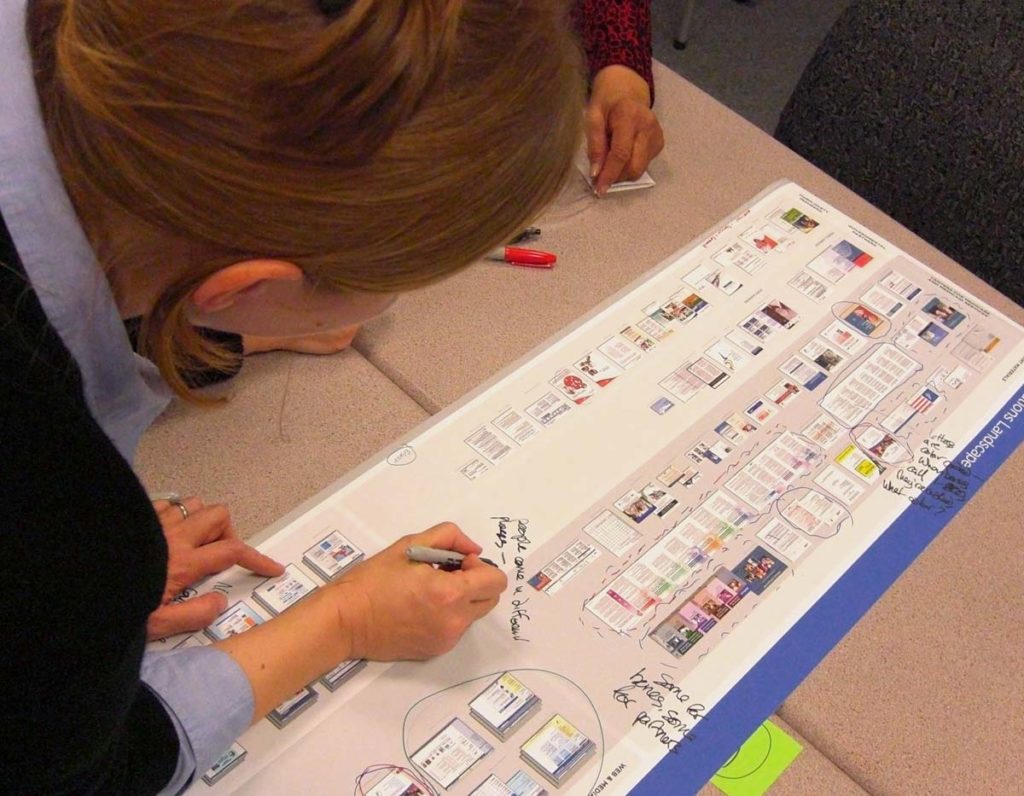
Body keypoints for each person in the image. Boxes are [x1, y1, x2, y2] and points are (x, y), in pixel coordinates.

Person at [0, 0, 586, 791]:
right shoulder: (58, 524)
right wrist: (342, 619)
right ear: (243, 291)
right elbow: (88, 774)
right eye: (390, 291)